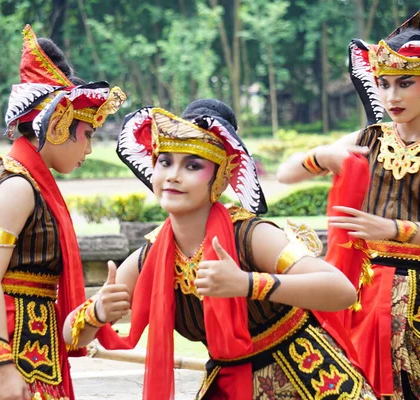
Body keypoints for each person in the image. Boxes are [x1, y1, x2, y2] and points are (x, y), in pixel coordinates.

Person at [63, 99, 377, 399]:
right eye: (165, 162)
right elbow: (70, 334)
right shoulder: (152, 256)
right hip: (227, 383)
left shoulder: (251, 236)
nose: (173, 175)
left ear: (221, 178)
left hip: (308, 378)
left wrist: (247, 284)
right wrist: (97, 312)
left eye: (192, 165)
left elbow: (341, 290)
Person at [277, 2, 420, 399]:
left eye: (404, 83)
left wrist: (393, 229)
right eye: (383, 83)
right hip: (356, 287)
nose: (391, 95)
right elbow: (285, 173)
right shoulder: (368, 138)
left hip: (419, 295)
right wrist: (321, 157)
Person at [0, 25, 125, 400]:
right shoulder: (17, 187)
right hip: (3, 355)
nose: (88, 149)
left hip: (32, 348)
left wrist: (95, 310)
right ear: (58, 126)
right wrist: (2, 366)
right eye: (87, 134)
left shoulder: (29, 183)